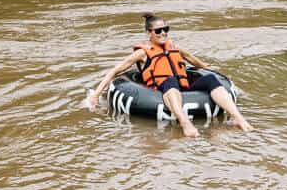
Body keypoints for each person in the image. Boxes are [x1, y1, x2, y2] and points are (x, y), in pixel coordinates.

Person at [86, 13, 253, 137]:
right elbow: (115, 71)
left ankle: (238, 118)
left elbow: (191, 58)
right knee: (170, 81)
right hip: (160, 89)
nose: (163, 33)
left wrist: (205, 66)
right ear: (149, 33)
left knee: (209, 79)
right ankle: (185, 124)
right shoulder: (142, 53)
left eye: (166, 29)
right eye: (158, 31)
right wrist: (97, 94)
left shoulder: (172, 46)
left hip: (183, 86)